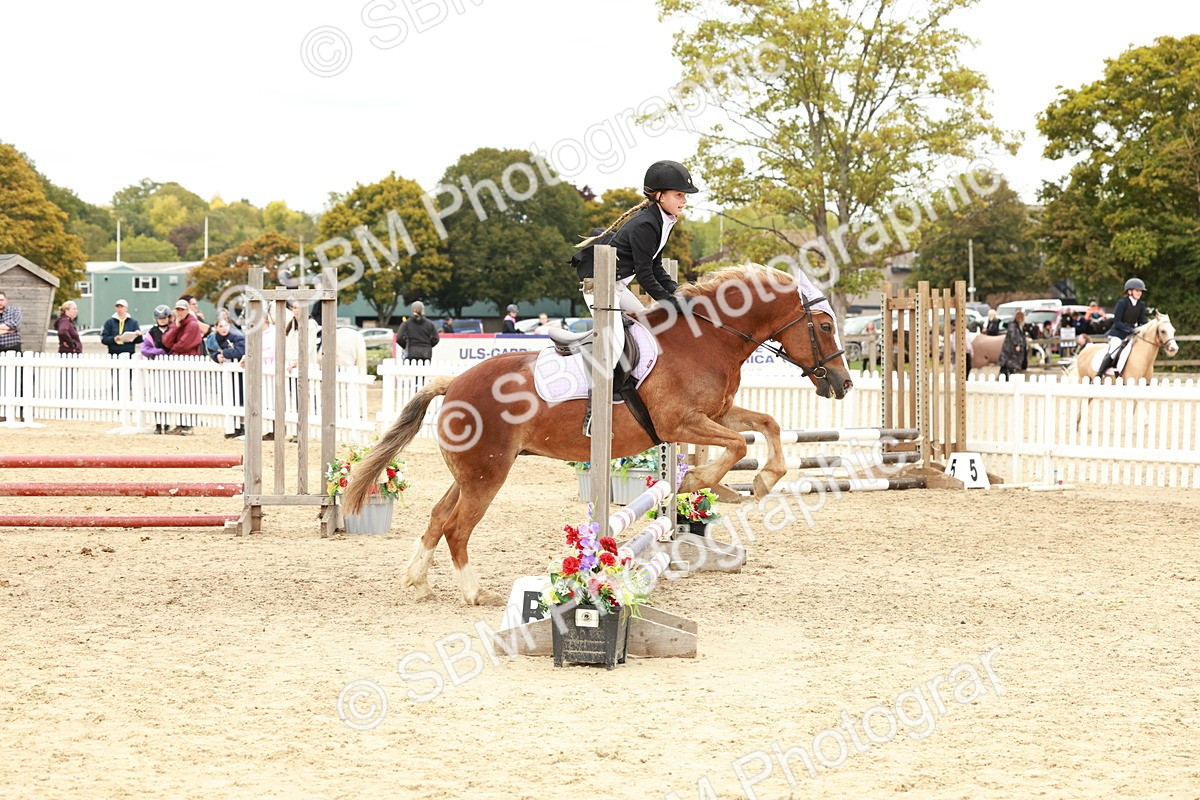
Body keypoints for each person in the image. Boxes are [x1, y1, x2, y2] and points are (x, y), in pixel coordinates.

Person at [571, 159, 699, 386]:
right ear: (659, 195)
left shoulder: (664, 220)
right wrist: (670, 303)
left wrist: (678, 291)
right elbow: (644, 273)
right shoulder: (646, 224)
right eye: (679, 194)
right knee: (616, 344)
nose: (685, 200)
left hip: (617, 287)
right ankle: (595, 399)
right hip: (599, 288)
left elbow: (656, 265)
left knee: (645, 328)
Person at [162, 299, 205, 434]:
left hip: (189, 360)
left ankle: (188, 424)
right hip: (179, 361)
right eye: (178, 309)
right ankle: (181, 424)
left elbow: (184, 344)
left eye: (182, 309)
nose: (179, 312)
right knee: (178, 393)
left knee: (189, 393)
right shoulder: (176, 324)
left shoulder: (192, 324)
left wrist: (172, 349)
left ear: (187, 310)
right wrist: (176, 326)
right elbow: (166, 341)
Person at [1096, 278, 1149, 376]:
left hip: (1131, 334)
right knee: (1114, 350)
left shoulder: (1141, 305)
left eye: (1140, 291)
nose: (1139, 293)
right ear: (1130, 291)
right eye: (1137, 290)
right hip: (1118, 333)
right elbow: (1117, 322)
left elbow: (1142, 322)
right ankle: (1099, 374)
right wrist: (1131, 330)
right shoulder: (1122, 303)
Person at [141, 305, 177, 433]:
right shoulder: (151, 332)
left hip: (171, 369)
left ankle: (167, 424)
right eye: (159, 318)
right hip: (156, 369)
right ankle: (158, 424)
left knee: (168, 397)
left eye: (164, 318)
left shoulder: (174, 330)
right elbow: (144, 349)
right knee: (157, 397)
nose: (162, 320)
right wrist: (159, 351)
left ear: (168, 318)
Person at [999, 310, 1027, 379]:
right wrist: (1017, 344)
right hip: (1010, 351)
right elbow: (1014, 336)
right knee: (1008, 365)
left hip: (1011, 351)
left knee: (1008, 366)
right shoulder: (1013, 326)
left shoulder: (1018, 326)